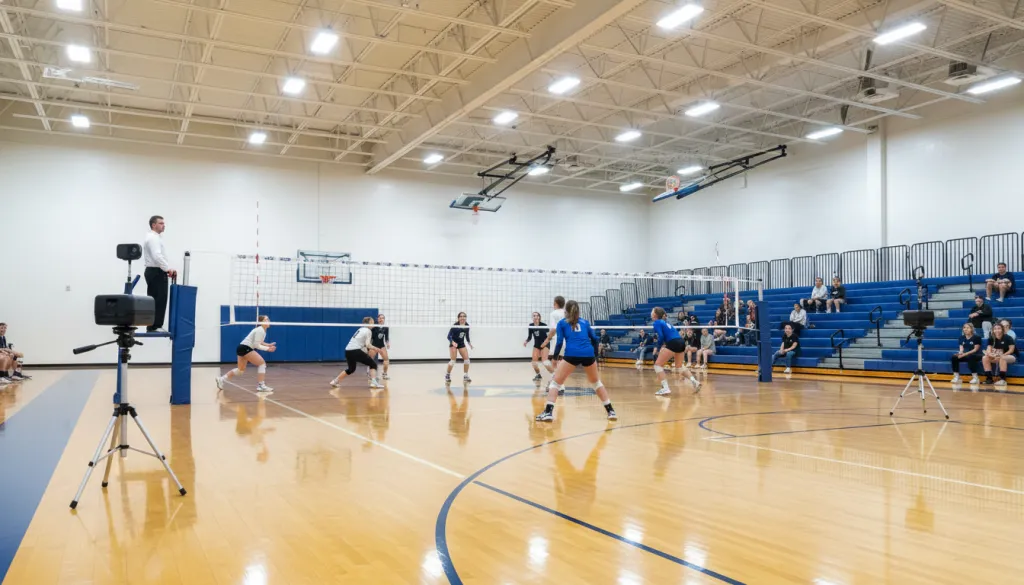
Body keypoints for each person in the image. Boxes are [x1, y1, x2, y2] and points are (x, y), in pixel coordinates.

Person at [535, 300, 617, 422]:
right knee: (596, 383)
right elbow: (595, 339)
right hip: (588, 354)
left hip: (572, 354)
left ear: (566, 311)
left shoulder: (562, 323)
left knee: (555, 383)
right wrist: (595, 356)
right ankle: (611, 411)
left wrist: (555, 358)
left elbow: (559, 342)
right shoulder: (585, 322)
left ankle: (548, 412)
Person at [216, 315, 277, 395]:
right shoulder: (260, 330)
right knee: (262, 364)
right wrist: (267, 349)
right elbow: (256, 345)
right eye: (266, 320)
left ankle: (221, 379)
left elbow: (260, 342)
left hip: (241, 348)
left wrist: (268, 345)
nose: (268, 321)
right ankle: (261, 385)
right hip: (246, 348)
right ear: (261, 322)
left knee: (240, 371)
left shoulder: (262, 330)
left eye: (268, 319)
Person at [650, 307, 701, 396]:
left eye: (652, 311)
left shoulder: (657, 322)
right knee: (679, 367)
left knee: (657, 365)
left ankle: (665, 388)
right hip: (681, 342)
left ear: (655, 314)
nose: (651, 313)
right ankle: (695, 381)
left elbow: (661, 336)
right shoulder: (666, 323)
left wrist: (657, 348)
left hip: (673, 342)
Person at [143, 215, 177, 332]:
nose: (164, 225)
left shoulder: (154, 237)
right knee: (159, 299)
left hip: (155, 271)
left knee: (156, 298)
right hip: (156, 271)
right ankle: (154, 326)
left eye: (163, 223)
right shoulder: (153, 238)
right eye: (161, 223)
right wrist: (167, 269)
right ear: (154, 225)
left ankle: (153, 325)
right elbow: (157, 256)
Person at [331, 317, 382, 389]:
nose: (374, 324)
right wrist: (376, 348)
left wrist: (366, 351)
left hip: (348, 351)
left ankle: (335, 381)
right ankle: (374, 383)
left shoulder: (360, 329)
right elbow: (368, 345)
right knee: (373, 364)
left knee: (351, 369)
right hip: (355, 351)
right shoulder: (368, 331)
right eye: (373, 322)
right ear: (369, 323)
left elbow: (362, 344)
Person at [540, 296, 567, 390]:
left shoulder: (553, 313)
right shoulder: (566, 313)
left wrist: (547, 340)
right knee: (559, 362)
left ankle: (557, 382)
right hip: (566, 340)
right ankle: (559, 384)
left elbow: (553, 329)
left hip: (556, 340)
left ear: (555, 303)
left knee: (549, 362)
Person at [982, 322, 1016, 387]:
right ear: (993, 330)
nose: (997, 330)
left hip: (1010, 357)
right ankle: (989, 378)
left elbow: (1011, 350)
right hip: (997, 357)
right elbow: (988, 349)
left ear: (1002, 329)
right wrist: (990, 354)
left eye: (999, 328)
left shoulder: (1008, 338)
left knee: (1002, 358)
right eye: (995, 329)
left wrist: (1002, 355)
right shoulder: (991, 338)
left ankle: (1002, 380)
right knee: (985, 358)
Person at [446, 312, 473, 384]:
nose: (462, 318)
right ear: (458, 318)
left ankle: (466, 376)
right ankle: (447, 375)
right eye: (461, 316)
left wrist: (469, 343)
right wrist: (452, 342)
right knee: (453, 360)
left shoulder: (467, 326)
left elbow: (467, 336)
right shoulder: (455, 326)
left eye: (464, 316)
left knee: (467, 360)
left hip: (461, 343)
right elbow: (448, 336)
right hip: (454, 343)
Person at [523, 312, 548, 381]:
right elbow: (530, 337)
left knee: (544, 361)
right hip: (537, 345)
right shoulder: (531, 325)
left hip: (544, 344)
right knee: (534, 362)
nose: (536, 317)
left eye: (537, 315)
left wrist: (546, 342)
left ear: (539, 317)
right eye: (534, 316)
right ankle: (538, 375)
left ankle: (553, 374)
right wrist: (526, 341)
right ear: (532, 317)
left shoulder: (544, 325)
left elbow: (549, 335)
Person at [369, 314, 391, 380]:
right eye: (380, 318)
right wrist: (369, 346)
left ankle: (384, 374)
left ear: (384, 319)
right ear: (377, 319)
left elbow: (386, 337)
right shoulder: (374, 327)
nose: (381, 319)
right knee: (370, 360)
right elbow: (370, 337)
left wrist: (387, 343)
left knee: (386, 360)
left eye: (382, 318)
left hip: (381, 346)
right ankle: (370, 374)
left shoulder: (386, 328)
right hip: (374, 345)